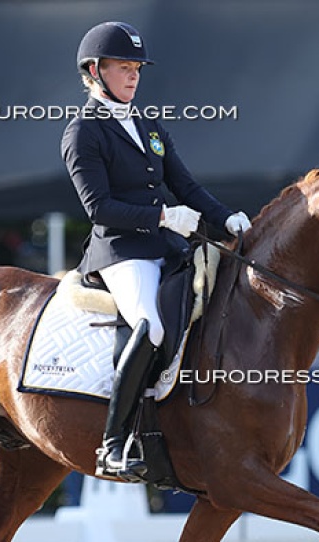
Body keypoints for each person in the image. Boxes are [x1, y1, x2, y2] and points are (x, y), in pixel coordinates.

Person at [61, 21, 252, 479]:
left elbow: (183, 185)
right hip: (121, 252)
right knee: (151, 326)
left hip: (163, 244)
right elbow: (98, 208)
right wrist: (164, 218)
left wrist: (225, 217)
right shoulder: (83, 132)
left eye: (136, 69)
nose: (133, 76)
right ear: (94, 71)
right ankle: (112, 442)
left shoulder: (147, 125)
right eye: (123, 67)